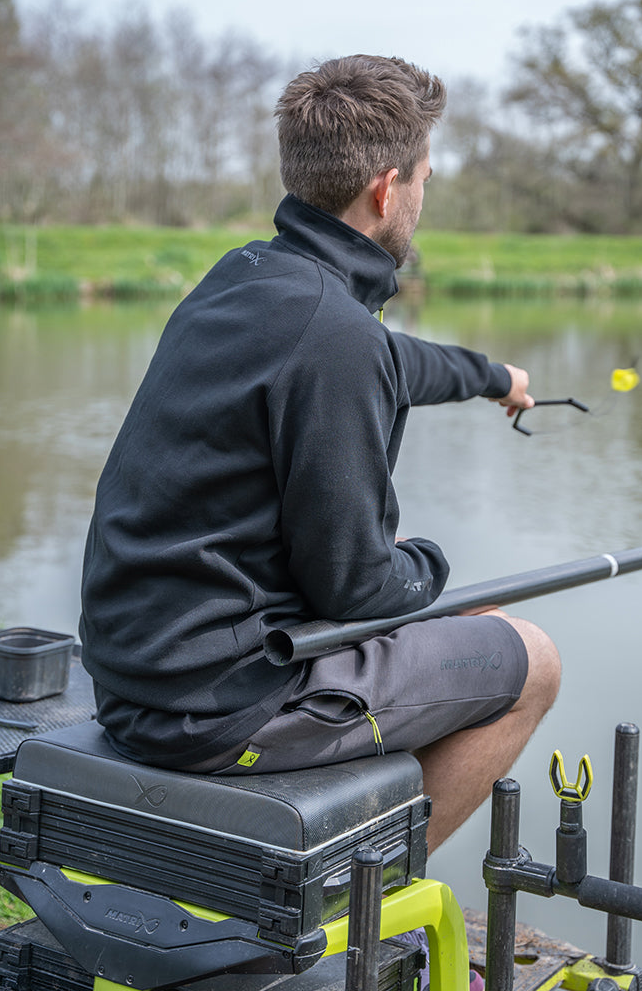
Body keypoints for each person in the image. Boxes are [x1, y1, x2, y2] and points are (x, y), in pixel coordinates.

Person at [79, 54, 560, 855]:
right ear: (386, 186)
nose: (422, 198)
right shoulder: (336, 338)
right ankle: (354, 911)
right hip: (221, 703)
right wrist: (429, 571)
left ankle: (341, 859)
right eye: (424, 181)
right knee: (531, 660)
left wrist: (494, 377)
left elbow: (395, 361)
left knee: (459, 628)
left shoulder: (248, 277)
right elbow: (358, 585)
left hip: (141, 673)